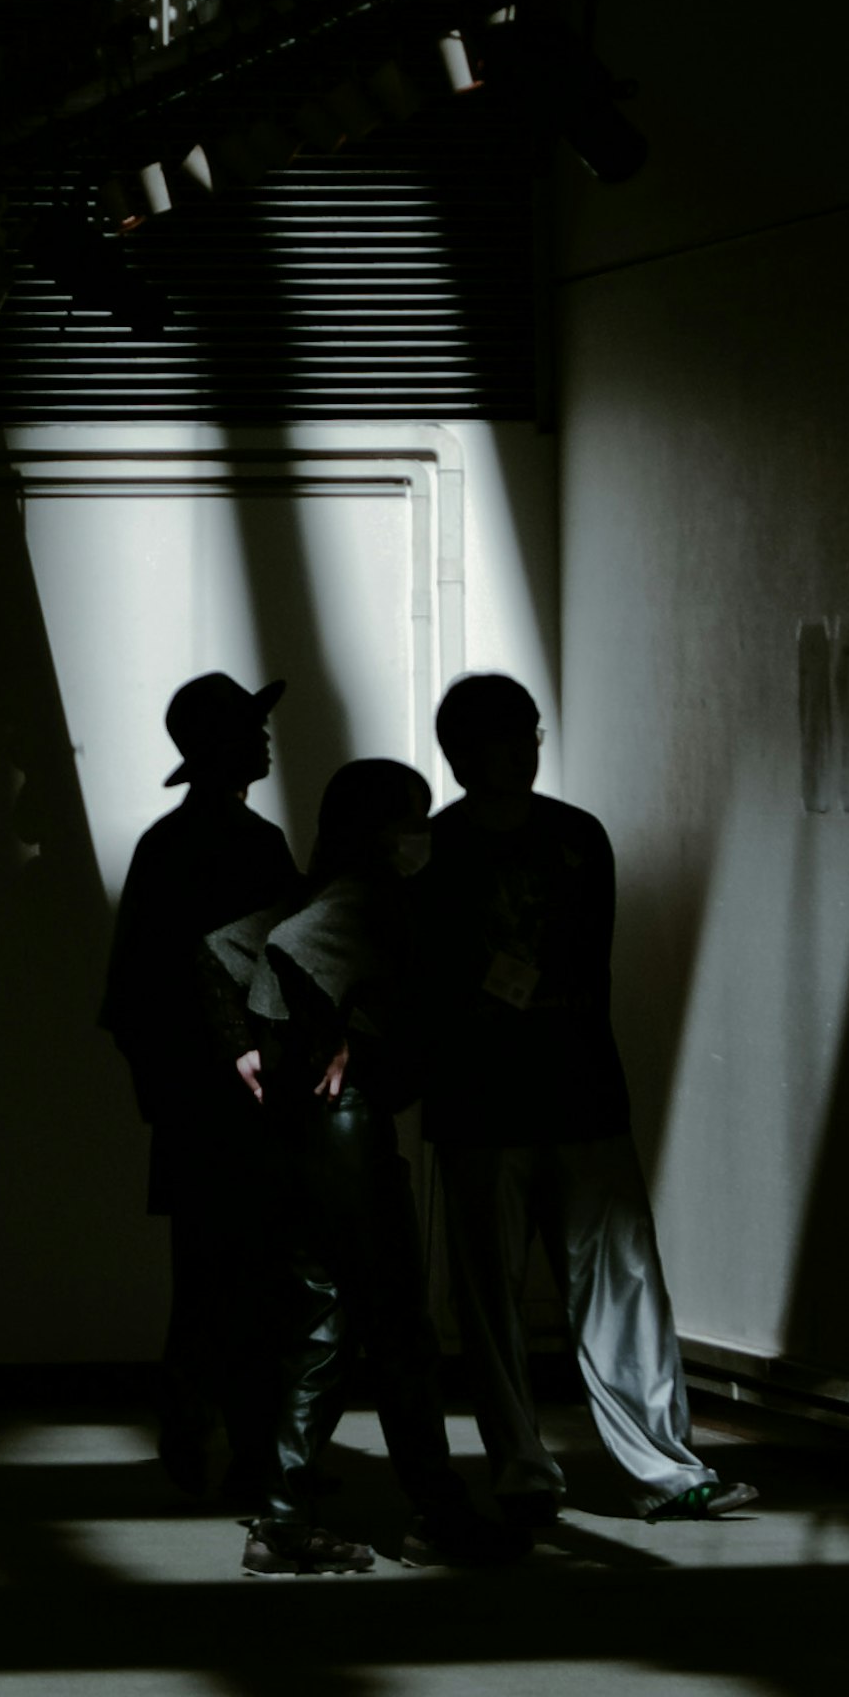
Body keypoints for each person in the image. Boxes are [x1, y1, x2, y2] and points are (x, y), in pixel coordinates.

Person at [415, 671, 756, 1524]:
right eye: (513, 733)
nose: (529, 747)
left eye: (531, 731)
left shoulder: (567, 836)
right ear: (465, 751)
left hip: (564, 1094)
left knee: (612, 1284)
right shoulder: (451, 848)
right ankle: (533, 1468)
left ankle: (658, 1465)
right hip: (498, 1101)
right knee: (504, 1295)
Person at [200, 756, 516, 1576]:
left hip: (310, 1135)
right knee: (401, 1328)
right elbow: (286, 950)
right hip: (347, 1131)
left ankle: (283, 1522)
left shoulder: (329, 887)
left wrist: (254, 1043)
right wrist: (328, 1030)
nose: (424, 830)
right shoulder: (365, 896)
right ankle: (436, 1515)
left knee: (327, 1319)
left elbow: (224, 952)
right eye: (411, 815)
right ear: (380, 827)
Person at [97, 669, 298, 1500]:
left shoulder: (175, 847)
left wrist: (169, 1093)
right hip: (231, 1107)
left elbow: (131, 1000)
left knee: (215, 1282)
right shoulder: (249, 847)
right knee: (244, 1281)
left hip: (202, 1105)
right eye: (252, 727)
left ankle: (203, 1444)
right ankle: (240, 1448)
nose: (266, 738)